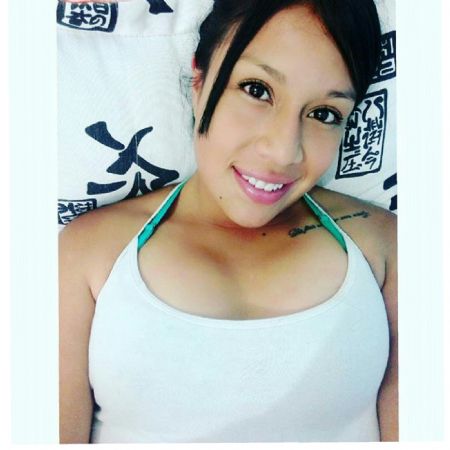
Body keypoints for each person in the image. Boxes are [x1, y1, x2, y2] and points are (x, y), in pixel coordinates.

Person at [59, 0, 398, 443]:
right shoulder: (89, 252)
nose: (284, 152)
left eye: (324, 114)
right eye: (257, 90)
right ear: (199, 80)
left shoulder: (385, 245)